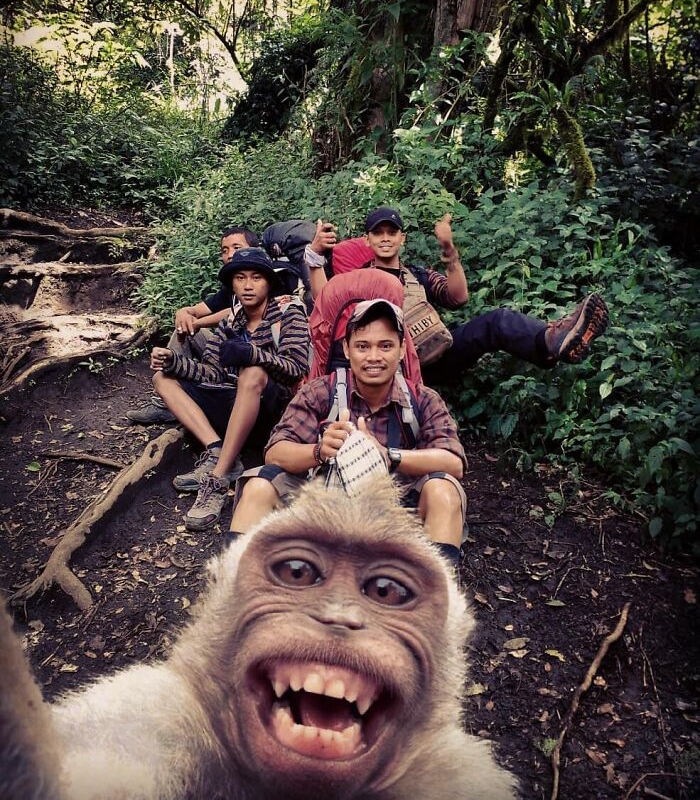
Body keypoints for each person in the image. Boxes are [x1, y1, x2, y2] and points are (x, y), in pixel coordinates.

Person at [226, 298, 468, 572]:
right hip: (323, 505)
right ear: (347, 349)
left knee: (444, 491)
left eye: (385, 346)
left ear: (402, 350)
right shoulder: (319, 391)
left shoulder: (423, 399)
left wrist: (389, 456)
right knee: (259, 485)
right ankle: (236, 585)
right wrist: (318, 451)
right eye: (363, 346)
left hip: (399, 512)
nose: (374, 357)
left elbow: (453, 462)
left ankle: (436, 598)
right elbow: (276, 451)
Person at [305, 207, 609, 384]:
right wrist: (316, 255)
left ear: (402, 238)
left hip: (436, 353)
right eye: (378, 233)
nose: (385, 238)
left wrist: (449, 252)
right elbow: (327, 305)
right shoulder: (357, 277)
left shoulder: (417, 275)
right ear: (368, 239)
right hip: (390, 364)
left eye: (391, 232)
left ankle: (553, 341)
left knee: (496, 322)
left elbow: (457, 297)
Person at [150, 248, 310, 532]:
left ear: (268, 283)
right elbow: (213, 371)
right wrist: (174, 362)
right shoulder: (231, 320)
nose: (248, 285)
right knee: (163, 378)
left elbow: (297, 367)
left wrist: (252, 354)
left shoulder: (289, 312)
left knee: (252, 372)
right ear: (232, 284)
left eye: (256, 278)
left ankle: (218, 478)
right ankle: (217, 449)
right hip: (236, 402)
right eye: (240, 278)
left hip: (275, 411)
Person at [127, 226, 258, 425]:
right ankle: (167, 402)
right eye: (224, 250)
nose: (230, 255)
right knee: (185, 330)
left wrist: (196, 323)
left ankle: (182, 398)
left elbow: (238, 311)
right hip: (227, 356)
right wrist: (184, 313)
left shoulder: (265, 280)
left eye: (237, 248)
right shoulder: (230, 287)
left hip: (252, 364)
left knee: (192, 328)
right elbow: (196, 309)